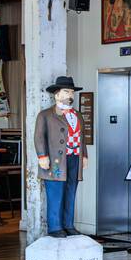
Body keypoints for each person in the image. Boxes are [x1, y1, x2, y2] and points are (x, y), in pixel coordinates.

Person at [34, 75, 87, 238]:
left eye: (71, 92)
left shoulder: (77, 115)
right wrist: (42, 156)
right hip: (56, 161)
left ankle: (68, 224)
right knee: (56, 192)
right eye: (66, 92)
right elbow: (39, 137)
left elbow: (82, 137)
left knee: (71, 192)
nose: (70, 95)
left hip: (73, 158)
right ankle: (55, 226)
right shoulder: (46, 115)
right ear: (57, 95)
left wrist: (84, 155)